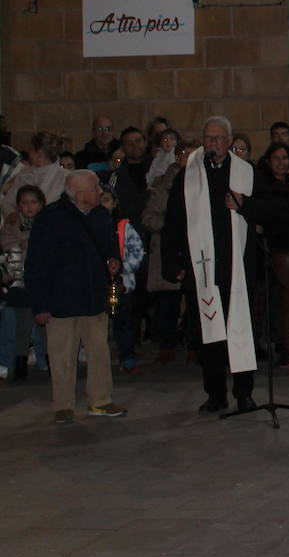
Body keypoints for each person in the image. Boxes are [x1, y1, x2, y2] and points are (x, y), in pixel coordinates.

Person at [163, 116, 257, 414]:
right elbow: (173, 222)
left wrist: (244, 205)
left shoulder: (244, 172)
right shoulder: (188, 174)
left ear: (229, 142)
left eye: (218, 138)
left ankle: (244, 392)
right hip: (202, 267)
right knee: (208, 334)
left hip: (237, 266)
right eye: (208, 138)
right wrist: (173, 261)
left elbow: (265, 211)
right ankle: (216, 393)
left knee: (240, 329)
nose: (212, 143)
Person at [25, 170, 128, 424]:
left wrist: (115, 260)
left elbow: (109, 246)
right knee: (61, 355)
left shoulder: (102, 215)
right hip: (60, 301)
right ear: (81, 195)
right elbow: (35, 264)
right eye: (95, 188)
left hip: (93, 297)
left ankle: (101, 400)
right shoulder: (50, 218)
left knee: (99, 351)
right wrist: (40, 304)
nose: (100, 192)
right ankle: (63, 405)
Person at [240, 143, 289, 367]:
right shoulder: (263, 185)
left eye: (285, 158)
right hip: (281, 245)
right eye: (277, 158)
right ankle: (287, 349)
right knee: (286, 298)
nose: (282, 163)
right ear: (269, 162)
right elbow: (266, 214)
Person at [142, 139, 197, 365]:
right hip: (169, 249)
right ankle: (166, 345)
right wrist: (173, 224)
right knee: (168, 303)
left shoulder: (203, 182)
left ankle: (195, 344)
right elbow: (148, 217)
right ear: (177, 157)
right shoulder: (163, 184)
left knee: (194, 303)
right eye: (185, 154)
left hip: (194, 250)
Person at [0, 185, 46, 380]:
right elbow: (11, 250)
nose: (29, 207)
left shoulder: (48, 224)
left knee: (44, 327)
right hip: (19, 280)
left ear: (41, 204)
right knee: (19, 325)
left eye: (33, 202)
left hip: (43, 282)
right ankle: (17, 365)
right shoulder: (11, 226)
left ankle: (46, 362)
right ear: (18, 206)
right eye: (24, 203)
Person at [99, 185, 145, 374]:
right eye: (100, 199)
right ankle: (99, 360)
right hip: (96, 284)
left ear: (115, 203)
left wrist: (123, 269)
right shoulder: (90, 225)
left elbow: (137, 251)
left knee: (121, 321)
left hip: (119, 285)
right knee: (98, 324)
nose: (103, 204)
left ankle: (127, 357)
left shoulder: (123, 227)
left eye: (107, 200)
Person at [2, 132, 68, 215]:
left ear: (39, 155)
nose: (28, 152)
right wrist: (12, 215)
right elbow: (7, 202)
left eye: (30, 149)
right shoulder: (24, 173)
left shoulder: (66, 178)